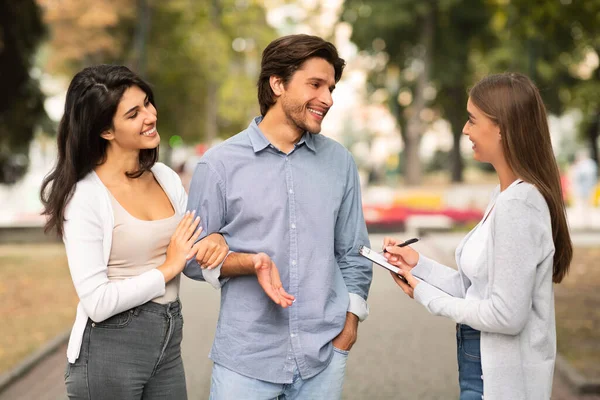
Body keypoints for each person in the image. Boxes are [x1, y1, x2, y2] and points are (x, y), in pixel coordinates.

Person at [183, 34, 373, 399]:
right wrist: (247, 262)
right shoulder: (219, 165)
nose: (327, 99)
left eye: (331, 88)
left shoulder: (340, 163)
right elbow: (191, 259)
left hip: (322, 358)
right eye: (315, 84)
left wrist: (349, 327)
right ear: (277, 83)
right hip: (246, 361)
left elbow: (353, 253)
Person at [40, 64, 228, 399]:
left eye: (147, 103)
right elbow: (97, 302)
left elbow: (195, 247)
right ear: (106, 131)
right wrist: (168, 267)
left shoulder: (165, 177)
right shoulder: (84, 197)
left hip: (168, 340)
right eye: (133, 113)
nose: (150, 115)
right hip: (108, 350)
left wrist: (217, 241)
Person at [383, 73, 572, 400]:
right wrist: (420, 267)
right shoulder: (504, 197)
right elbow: (477, 292)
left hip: (501, 382)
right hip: (481, 364)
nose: (465, 130)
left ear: (502, 128)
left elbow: (506, 315)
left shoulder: (518, 204)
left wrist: (427, 297)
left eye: (472, 120)